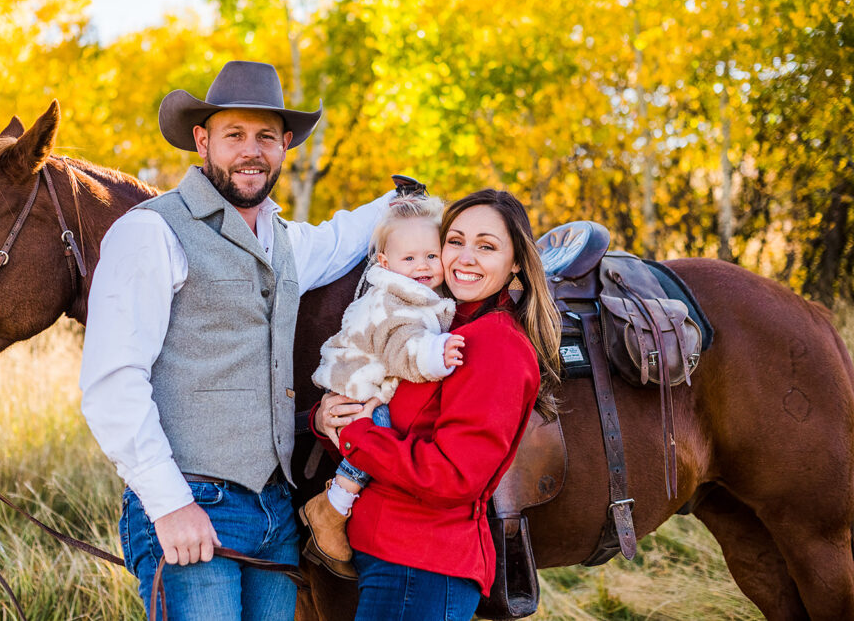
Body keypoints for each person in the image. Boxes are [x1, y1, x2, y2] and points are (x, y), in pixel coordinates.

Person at [79, 60, 395, 620]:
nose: (252, 151)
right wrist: (169, 505)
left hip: (276, 511)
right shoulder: (152, 231)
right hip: (193, 502)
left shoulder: (285, 241)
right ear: (202, 141)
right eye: (235, 135)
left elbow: (344, 235)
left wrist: (410, 201)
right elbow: (112, 383)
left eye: (266, 137)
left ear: (285, 145)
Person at [314, 189, 561, 620]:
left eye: (486, 246)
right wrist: (328, 417)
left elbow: (454, 476)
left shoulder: (495, 343)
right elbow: (390, 411)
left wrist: (356, 435)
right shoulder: (434, 322)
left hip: (423, 564)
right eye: (455, 241)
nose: (465, 258)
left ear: (516, 262)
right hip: (387, 554)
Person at [299, 193, 466, 579]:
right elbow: (401, 348)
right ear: (385, 264)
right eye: (410, 258)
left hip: (370, 379)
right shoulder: (392, 301)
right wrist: (437, 354)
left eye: (431, 255)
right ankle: (331, 507)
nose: (422, 266)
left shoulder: (415, 293)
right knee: (379, 431)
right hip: (357, 386)